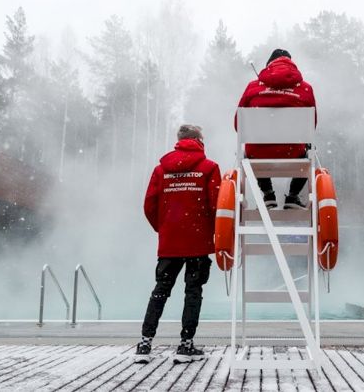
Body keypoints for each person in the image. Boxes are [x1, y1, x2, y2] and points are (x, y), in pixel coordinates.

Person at [135, 125, 221, 363]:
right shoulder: (209, 168)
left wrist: (164, 229)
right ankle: (185, 346)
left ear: (179, 141)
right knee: (193, 292)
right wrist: (211, 232)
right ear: (199, 140)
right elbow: (216, 205)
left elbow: (149, 205)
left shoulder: (161, 169)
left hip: (170, 242)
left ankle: (144, 344)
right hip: (198, 242)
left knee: (160, 291)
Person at [237, 48, 317, 209]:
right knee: (310, 149)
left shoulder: (252, 87)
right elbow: (311, 126)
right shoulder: (306, 88)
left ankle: (268, 195)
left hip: (257, 154)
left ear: (269, 65)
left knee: (255, 146)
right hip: (293, 153)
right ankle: (293, 196)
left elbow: (238, 124)